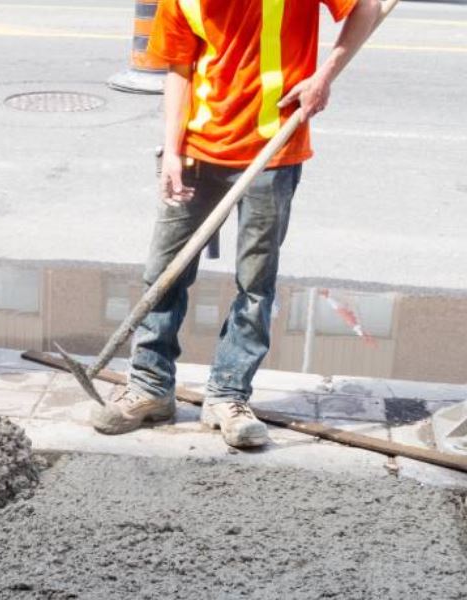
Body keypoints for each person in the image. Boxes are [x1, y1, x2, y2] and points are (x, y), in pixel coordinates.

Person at [92, 0, 381, 447]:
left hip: (273, 149)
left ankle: (228, 396)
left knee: (255, 282)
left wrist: (323, 78)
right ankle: (150, 388)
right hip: (196, 149)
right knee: (163, 274)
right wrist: (171, 149)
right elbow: (180, 68)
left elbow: (368, 6)